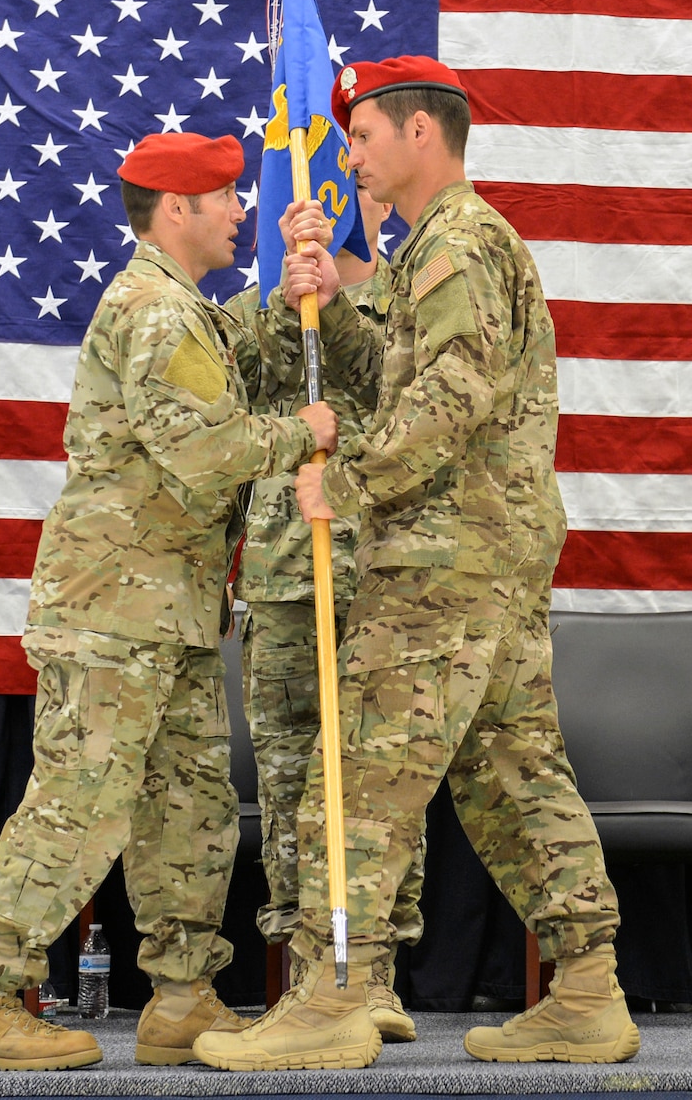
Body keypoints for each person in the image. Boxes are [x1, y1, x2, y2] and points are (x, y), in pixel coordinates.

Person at [191, 57, 637, 1072]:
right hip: (484, 554)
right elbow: (392, 374)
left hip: (443, 558)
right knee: (510, 772)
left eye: (361, 135)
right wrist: (328, 300)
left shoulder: (462, 244)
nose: (348, 155)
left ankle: (333, 993)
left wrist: (337, 488)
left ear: (418, 134)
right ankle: (584, 987)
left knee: (360, 773)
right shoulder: (437, 248)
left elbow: (443, 403)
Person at [0, 132, 337, 1072]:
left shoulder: (180, 308)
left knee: (186, 808)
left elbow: (220, 357)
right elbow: (201, 448)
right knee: (81, 802)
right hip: (118, 612)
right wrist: (299, 432)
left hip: (173, 614)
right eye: (229, 197)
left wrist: (284, 299)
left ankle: (184, 995)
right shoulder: (157, 310)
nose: (243, 212)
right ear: (177, 208)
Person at [223, 190, 425, 1044]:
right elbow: (233, 403)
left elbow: (406, 410)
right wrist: (286, 300)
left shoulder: (409, 307)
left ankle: (373, 971)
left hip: (382, 579)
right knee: (287, 782)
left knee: (384, 788)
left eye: (349, 201)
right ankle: (305, 972)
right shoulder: (257, 308)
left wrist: (336, 307)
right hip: (282, 581)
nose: (336, 216)